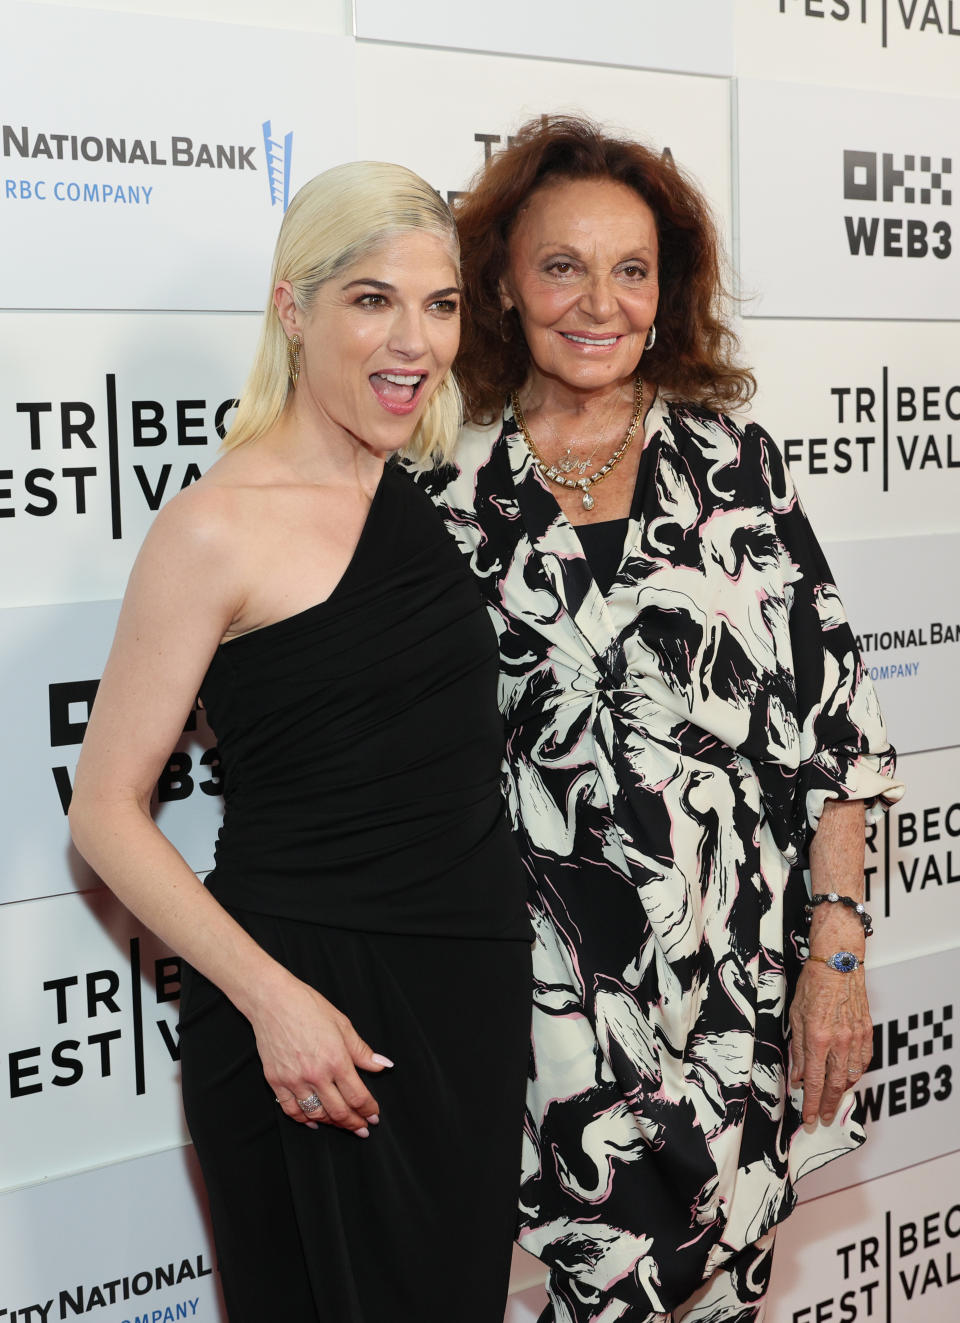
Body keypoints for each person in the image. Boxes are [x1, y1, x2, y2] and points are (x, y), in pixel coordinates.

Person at [409, 117, 903, 1323]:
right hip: (531, 1000)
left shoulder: (737, 466)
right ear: (503, 284)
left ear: (665, 289)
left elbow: (834, 726)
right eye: (562, 265)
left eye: (632, 269)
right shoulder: (432, 485)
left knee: (721, 1295)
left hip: (730, 981)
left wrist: (835, 955)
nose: (599, 301)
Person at [68, 161, 533, 1323]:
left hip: (461, 1004)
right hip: (303, 1017)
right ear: (294, 308)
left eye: (439, 304)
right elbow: (106, 811)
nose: (413, 340)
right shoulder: (214, 530)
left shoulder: (414, 492)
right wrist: (273, 1003)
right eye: (371, 299)